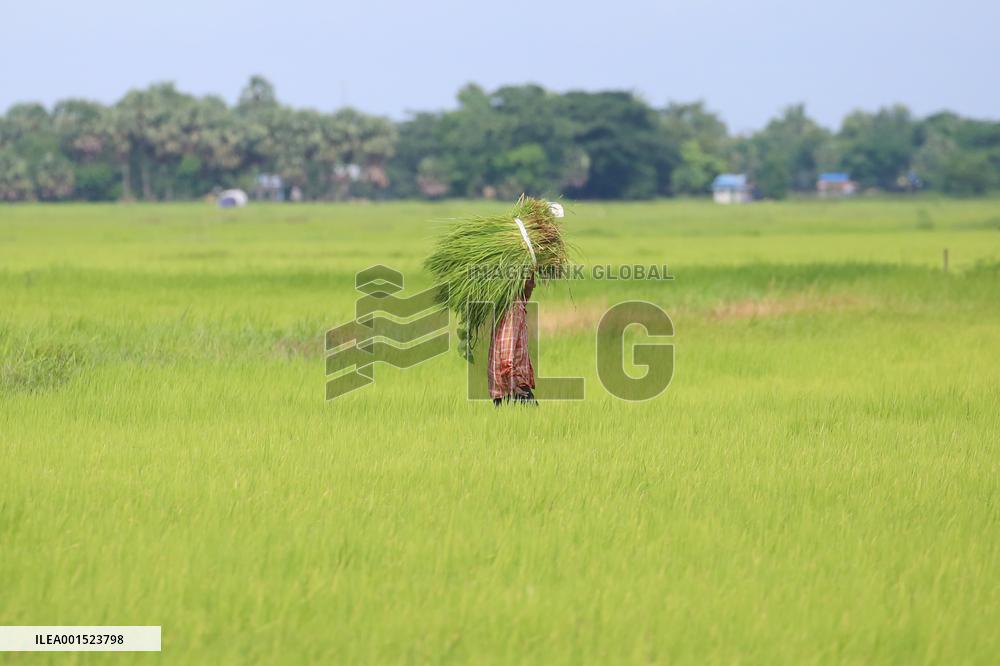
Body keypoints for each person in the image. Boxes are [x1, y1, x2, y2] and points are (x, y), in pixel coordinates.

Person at [488, 275, 537, 406]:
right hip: (511, 387)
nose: (534, 285)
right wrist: (514, 386)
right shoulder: (514, 309)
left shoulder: (514, 305)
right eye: (531, 280)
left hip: (509, 386)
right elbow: (506, 350)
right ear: (520, 282)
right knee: (535, 418)